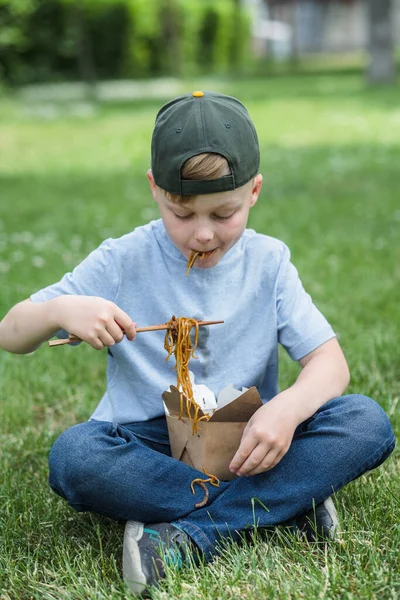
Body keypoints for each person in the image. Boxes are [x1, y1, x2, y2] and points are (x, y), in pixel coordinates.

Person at [0, 90, 395, 595]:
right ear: (155, 189)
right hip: (150, 444)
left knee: (366, 421)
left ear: (254, 192)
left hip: (248, 437)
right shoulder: (121, 261)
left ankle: (191, 534)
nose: (203, 234)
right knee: (74, 456)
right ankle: (282, 503)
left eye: (223, 214)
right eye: (182, 215)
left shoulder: (269, 263)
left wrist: (290, 408)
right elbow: (12, 332)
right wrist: (59, 310)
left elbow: (330, 363)